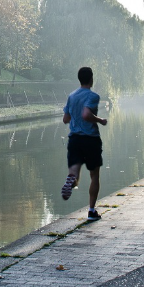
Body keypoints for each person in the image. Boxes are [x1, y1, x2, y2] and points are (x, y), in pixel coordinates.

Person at [61, 66, 107, 221]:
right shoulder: (93, 96)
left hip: (74, 139)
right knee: (94, 175)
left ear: (79, 79)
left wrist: (75, 117)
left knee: (74, 174)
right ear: (91, 79)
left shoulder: (71, 96)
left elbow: (65, 119)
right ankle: (92, 211)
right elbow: (86, 114)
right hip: (90, 139)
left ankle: (71, 180)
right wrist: (100, 120)